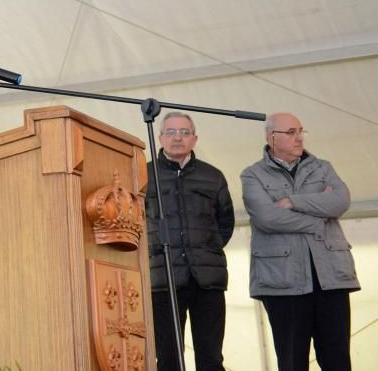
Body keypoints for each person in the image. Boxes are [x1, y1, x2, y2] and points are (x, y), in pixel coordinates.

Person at [241, 112, 360, 371]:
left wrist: (294, 202)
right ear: (272, 137)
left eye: (301, 131)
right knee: (292, 361)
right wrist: (319, 217)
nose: (298, 138)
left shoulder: (323, 167)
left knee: (338, 360)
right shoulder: (252, 175)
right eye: (291, 132)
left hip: (331, 277)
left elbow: (340, 201)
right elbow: (267, 217)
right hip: (283, 282)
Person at [146, 112, 234, 371]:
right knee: (169, 357)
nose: (177, 138)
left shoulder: (213, 176)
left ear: (194, 139)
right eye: (171, 132)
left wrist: (208, 248)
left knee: (211, 356)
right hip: (162, 280)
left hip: (208, 280)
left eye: (184, 132)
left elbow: (225, 222)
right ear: (160, 137)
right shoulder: (142, 173)